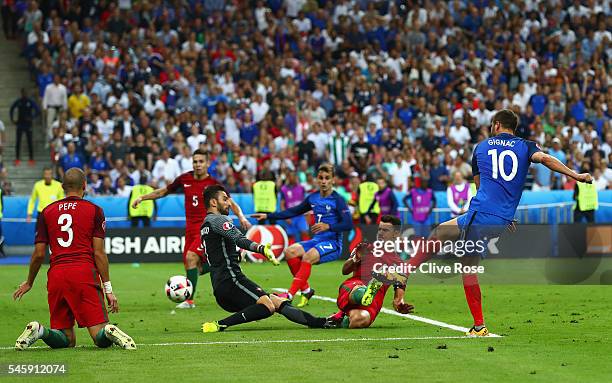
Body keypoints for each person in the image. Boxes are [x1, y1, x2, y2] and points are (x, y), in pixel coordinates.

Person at [396, 109, 592, 336]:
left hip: (481, 213)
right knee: (443, 234)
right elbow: (546, 159)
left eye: (491, 124)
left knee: (464, 263)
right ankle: (406, 271)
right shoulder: (526, 146)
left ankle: (476, 324)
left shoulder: (481, 147)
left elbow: (480, 187)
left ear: (497, 125)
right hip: (497, 217)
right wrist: (576, 175)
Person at [13, 168, 135, 350]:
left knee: (66, 340)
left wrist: (30, 282)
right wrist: (108, 289)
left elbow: (39, 254)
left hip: (57, 275)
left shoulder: (47, 212)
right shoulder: (95, 211)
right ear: (85, 186)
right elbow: (99, 253)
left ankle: (39, 331)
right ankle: (109, 330)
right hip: (83, 273)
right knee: (99, 336)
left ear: (62, 187)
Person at [132, 149, 251, 309]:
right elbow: (164, 191)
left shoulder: (214, 185)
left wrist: (241, 217)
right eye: (195, 161)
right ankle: (233, 257)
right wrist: (142, 198)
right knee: (195, 268)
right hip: (190, 230)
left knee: (191, 257)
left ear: (208, 163)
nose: (198, 165)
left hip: (206, 228)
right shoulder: (185, 179)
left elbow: (230, 202)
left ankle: (189, 301)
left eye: (201, 161)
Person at [200, 185, 329, 332]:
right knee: (267, 306)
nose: (229, 203)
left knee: (277, 301)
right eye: (224, 199)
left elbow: (218, 253)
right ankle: (219, 324)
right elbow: (239, 238)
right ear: (213, 203)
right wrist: (261, 249)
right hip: (231, 281)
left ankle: (321, 322)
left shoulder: (206, 225)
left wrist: (236, 255)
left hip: (222, 286)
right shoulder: (218, 220)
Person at [252, 164, 353, 307]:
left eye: (327, 178)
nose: (324, 181)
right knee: (290, 252)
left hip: (333, 243)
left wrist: (328, 226)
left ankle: (289, 295)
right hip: (317, 240)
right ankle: (306, 290)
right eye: (321, 178)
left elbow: (348, 224)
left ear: (333, 180)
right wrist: (268, 215)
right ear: (317, 180)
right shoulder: (313, 198)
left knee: (307, 256)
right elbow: (294, 211)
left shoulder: (338, 200)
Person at [327, 215, 413, 329]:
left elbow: (398, 298)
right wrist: (355, 259)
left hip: (373, 302)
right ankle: (365, 292)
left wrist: (399, 304)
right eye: (380, 229)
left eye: (385, 230)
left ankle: (339, 319)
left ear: (396, 234)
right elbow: (345, 270)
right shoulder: (365, 248)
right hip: (353, 288)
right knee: (359, 289)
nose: (381, 233)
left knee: (359, 320)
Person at [10, 88, 40, 166]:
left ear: (27, 93)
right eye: (23, 93)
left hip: (28, 125)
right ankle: (17, 159)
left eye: (25, 93)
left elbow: (38, 110)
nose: (24, 94)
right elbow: (12, 108)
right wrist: (12, 119)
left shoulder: (30, 101)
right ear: (21, 93)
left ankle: (31, 159)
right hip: (20, 124)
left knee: (30, 142)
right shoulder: (19, 101)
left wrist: (32, 117)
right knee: (18, 142)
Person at [280, 172, 309, 241]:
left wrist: (307, 214)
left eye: (294, 177)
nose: (293, 178)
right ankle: (292, 250)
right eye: (291, 176)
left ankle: (306, 250)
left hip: (300, 215)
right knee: (290, 235)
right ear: (288, 178)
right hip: (290, 215)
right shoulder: (284, 189)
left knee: (304, 232)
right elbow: (282, 204)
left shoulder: (301, 188)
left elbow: (304, 202)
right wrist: (286, 217)